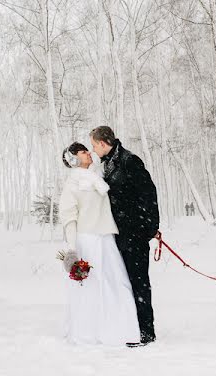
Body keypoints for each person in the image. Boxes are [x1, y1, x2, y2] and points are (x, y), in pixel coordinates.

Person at [58, 142, 140, 346]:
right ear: (75, 159)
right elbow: (69, 216)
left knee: (117, 283)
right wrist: (72, 249)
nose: (89, 153)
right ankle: (89, 331)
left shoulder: (98, 176)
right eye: (84, 152)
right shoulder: (72, 184)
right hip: (87, 239)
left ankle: (121, 329)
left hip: (106, 237)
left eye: (88, 150)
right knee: (92, 286)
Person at [89, 126, 159, 347]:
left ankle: (146, 332)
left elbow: (149, 193)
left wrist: (149, 228)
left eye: (93, 145)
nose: (92, 150)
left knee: (139, 283)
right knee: (125, 282)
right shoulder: (107, 164)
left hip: (135, 234)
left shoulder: (130, 161)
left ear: (102, 143)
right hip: (119, 235)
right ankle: (131, 328)